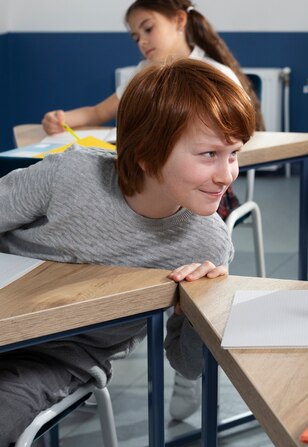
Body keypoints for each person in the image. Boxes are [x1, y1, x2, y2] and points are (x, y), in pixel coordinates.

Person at [0, 58, 255, 444]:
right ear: (147, 153)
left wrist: (204, 309)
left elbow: (187, 364)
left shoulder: (208, 245)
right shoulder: (69, 174)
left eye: (233, 153)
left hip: (54, 361)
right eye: (209, 155)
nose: (227, 174)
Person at [42, 0, 264, 135]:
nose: (142, 42)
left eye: (148, 29)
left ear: (179, 21)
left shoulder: (216, 75)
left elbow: (233, 135)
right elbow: (98, 112)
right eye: (136, 37)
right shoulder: (143, 73)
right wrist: (62, 119)